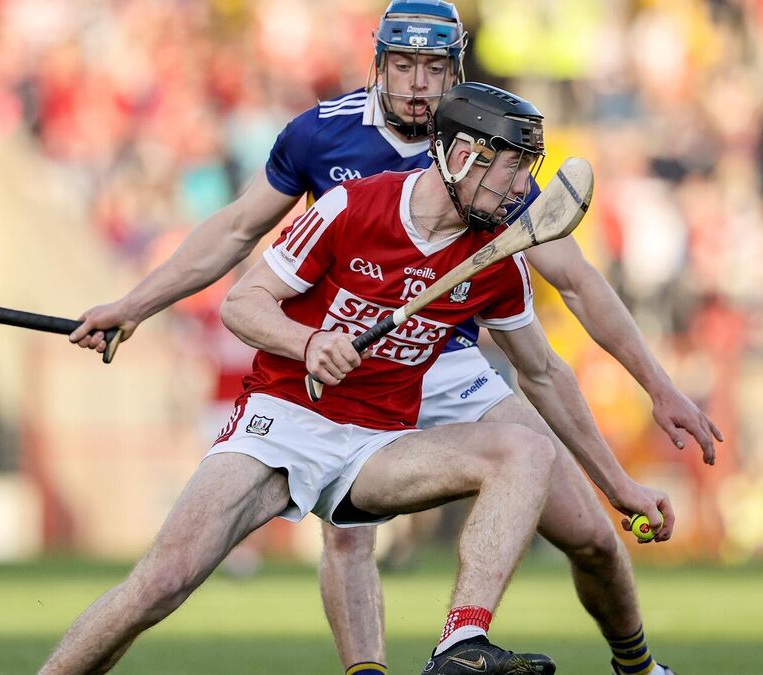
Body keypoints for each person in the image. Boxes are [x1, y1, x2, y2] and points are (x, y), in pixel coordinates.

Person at [71, 3, 721, 674]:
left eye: (433, 68)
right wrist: (134, 305)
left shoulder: (492, 153)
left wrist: (658, 389)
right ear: (379, 64)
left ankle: (636, 666)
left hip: (445, 359)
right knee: (345, 535)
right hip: (343, 361)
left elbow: (577, 286)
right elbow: (236, 233)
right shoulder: (323, 136)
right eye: (403, 65)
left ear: (455, 73)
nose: (417, 83)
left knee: (590, 534)